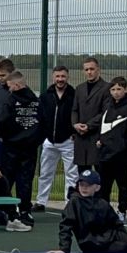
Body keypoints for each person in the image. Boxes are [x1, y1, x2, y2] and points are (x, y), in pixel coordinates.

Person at [0, 70, 42, 229]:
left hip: (11, 146)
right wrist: (36, 140)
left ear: (17, 85)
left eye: (10, 86)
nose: (9, 89)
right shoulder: (37, 101)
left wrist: (2, 136)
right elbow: (45, 123)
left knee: (7, 179)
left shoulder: (10, 100)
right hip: (30, 148)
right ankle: (25, 210)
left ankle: (7, 211)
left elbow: (0, 121)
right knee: (25, 180)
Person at [34, 65, 78, 211]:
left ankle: (69, 203)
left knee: (71, 174)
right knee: (45, 173)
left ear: (68, 77)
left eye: (63, 76)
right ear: (53, 77)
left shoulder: (74, 95)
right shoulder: (45, 95)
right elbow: (40, 117)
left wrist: (74, 133)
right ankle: (41, 202)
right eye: (57, 76)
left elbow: (79, 115)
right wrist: (43, 136)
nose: (60, 79)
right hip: (49, 141)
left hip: (68, 141)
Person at [95, 77, 127, 216]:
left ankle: (122, 211)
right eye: (113, 89)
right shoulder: (107, 106)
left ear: (125, 90)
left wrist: (124, 147)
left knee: (123, 185)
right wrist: (100, 140)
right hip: (105, 154)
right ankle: (104, 210)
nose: (116, 92)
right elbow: (102, 126)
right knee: (104, 185)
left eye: (119, 89)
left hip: (122, 156)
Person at [71, 57, 109, 176]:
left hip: (97, 137)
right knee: (82, 176)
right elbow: (74, 110)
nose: (89, 72)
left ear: (98, 69)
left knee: (101, 175)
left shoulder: (107, 88)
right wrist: (75, 125)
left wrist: (88, 126)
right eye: (86, 69)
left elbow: (106, 113)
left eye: (92, 69)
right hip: (81, 138)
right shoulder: (79, 88)